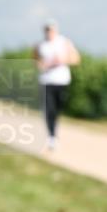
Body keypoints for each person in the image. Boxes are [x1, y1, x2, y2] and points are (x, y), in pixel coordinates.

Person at [34, 19, 80, 151]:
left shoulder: (64, 42)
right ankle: (51, 136)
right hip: (46, 81)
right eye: (47, 30)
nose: (49, 32)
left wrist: (61, 60)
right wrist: (43, 65)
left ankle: (53, 130)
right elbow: (35, 60)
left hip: (61, 81)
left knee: (57, 108)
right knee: (49, 108)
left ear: (56, 30)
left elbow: (76, 59)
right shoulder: (40, 45)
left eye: (51, 30)